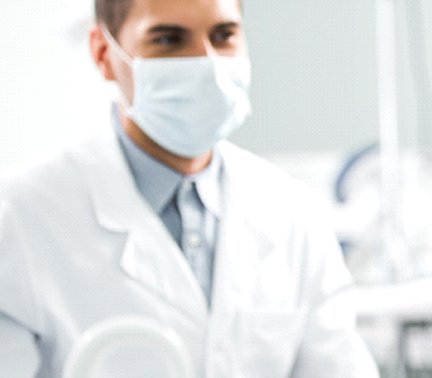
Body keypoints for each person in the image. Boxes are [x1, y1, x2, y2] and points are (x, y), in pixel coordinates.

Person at [0, 0, 379, 376]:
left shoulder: (294, 213)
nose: (208, 64)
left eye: (224, 35)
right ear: (103, 53)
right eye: (168, 40)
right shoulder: (19, 217)